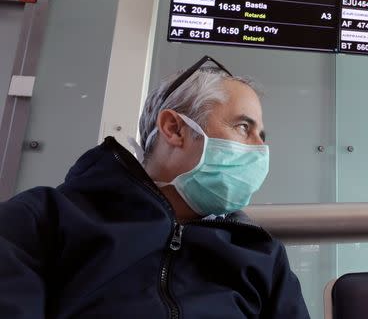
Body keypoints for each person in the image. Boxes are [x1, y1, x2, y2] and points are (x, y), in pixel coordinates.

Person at [0, 56, 310, 318]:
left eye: (261, 135)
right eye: (244, 127)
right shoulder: (41, 220)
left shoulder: (261, 254)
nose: (260, 149)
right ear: (174, 129)